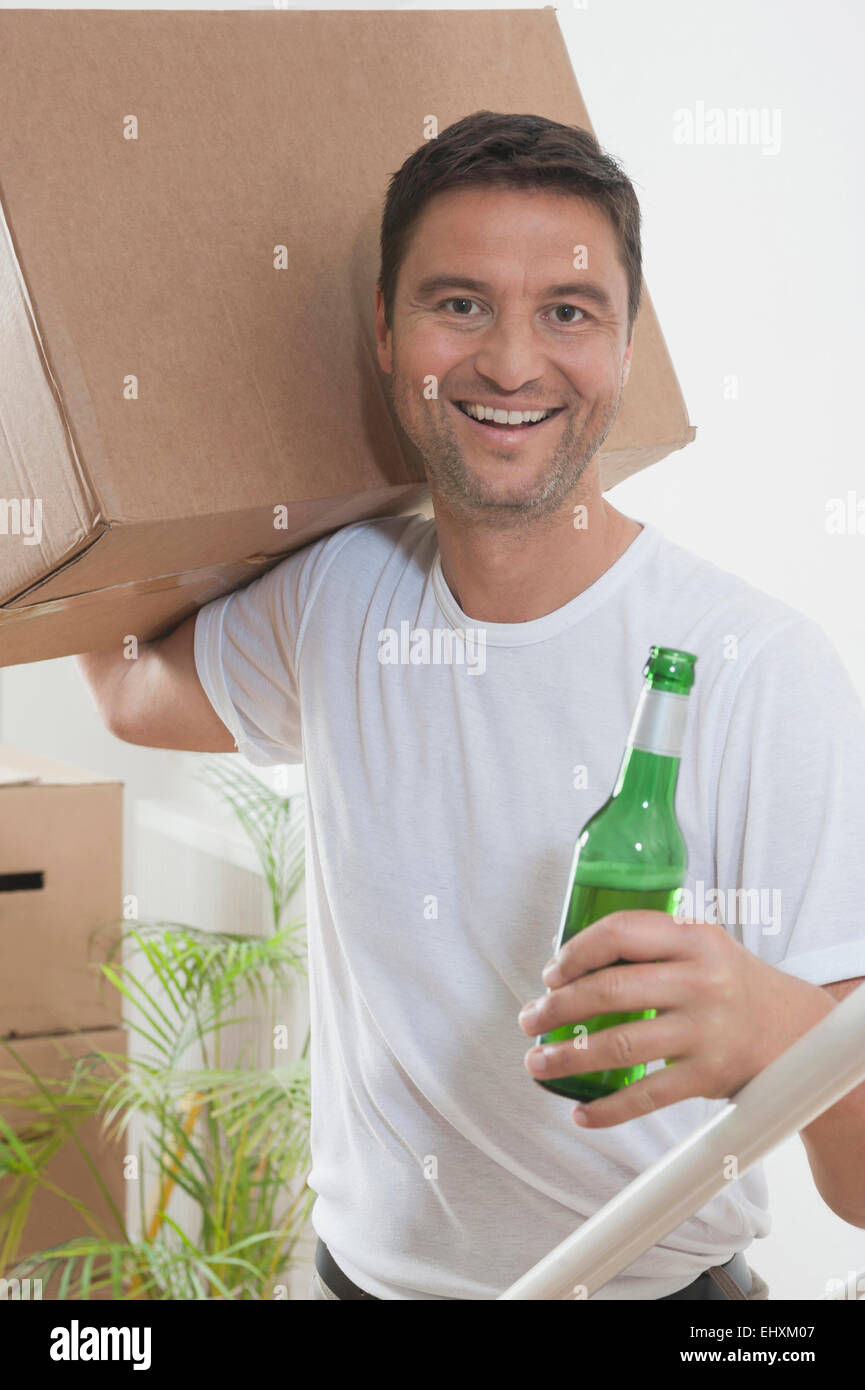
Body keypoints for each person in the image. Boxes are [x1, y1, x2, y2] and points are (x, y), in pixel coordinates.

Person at [78, 112, 865, 1300]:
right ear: (388, 335)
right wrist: (87, 484)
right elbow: (135, 690)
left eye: (567, 309)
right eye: (459, 303)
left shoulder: (758, 667)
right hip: (358, 1284)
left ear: (626, 345)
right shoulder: (337, 598)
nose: (510, 360)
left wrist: (786, 1039)